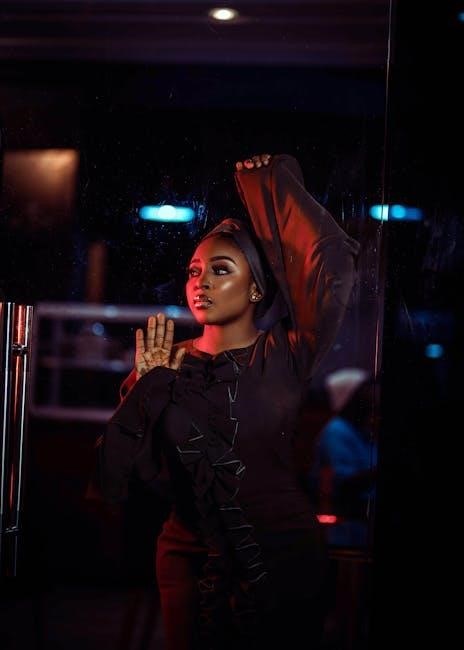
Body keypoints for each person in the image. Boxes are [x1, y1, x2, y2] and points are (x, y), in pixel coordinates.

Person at [98, 153, 360, 650]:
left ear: (256, 288)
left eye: (220, 270)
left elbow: (330, 267)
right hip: (187, 557)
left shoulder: (285, 353)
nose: (201, 282)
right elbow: (116, 477)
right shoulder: (163, 361)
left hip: (282, 551)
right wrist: (147, 390)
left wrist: (272, 182)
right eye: (194, 271)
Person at [308, 368, 378, 548]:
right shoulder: (336, 430)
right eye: (365, 393)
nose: (373, 398)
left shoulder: (362, 431)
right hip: (346, 531)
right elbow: (345, 482)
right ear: (350, 397)